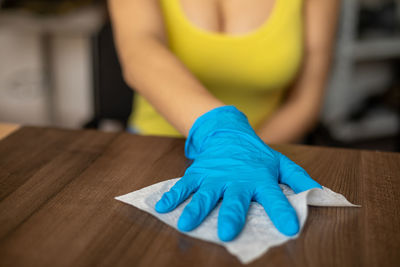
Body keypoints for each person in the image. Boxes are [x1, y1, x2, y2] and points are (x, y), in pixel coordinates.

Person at [109, 0, 340, 241]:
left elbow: (305, 101)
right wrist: (222, 132)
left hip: (266, 152)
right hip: (155, 151)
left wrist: (247, 151)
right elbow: (139, 50)